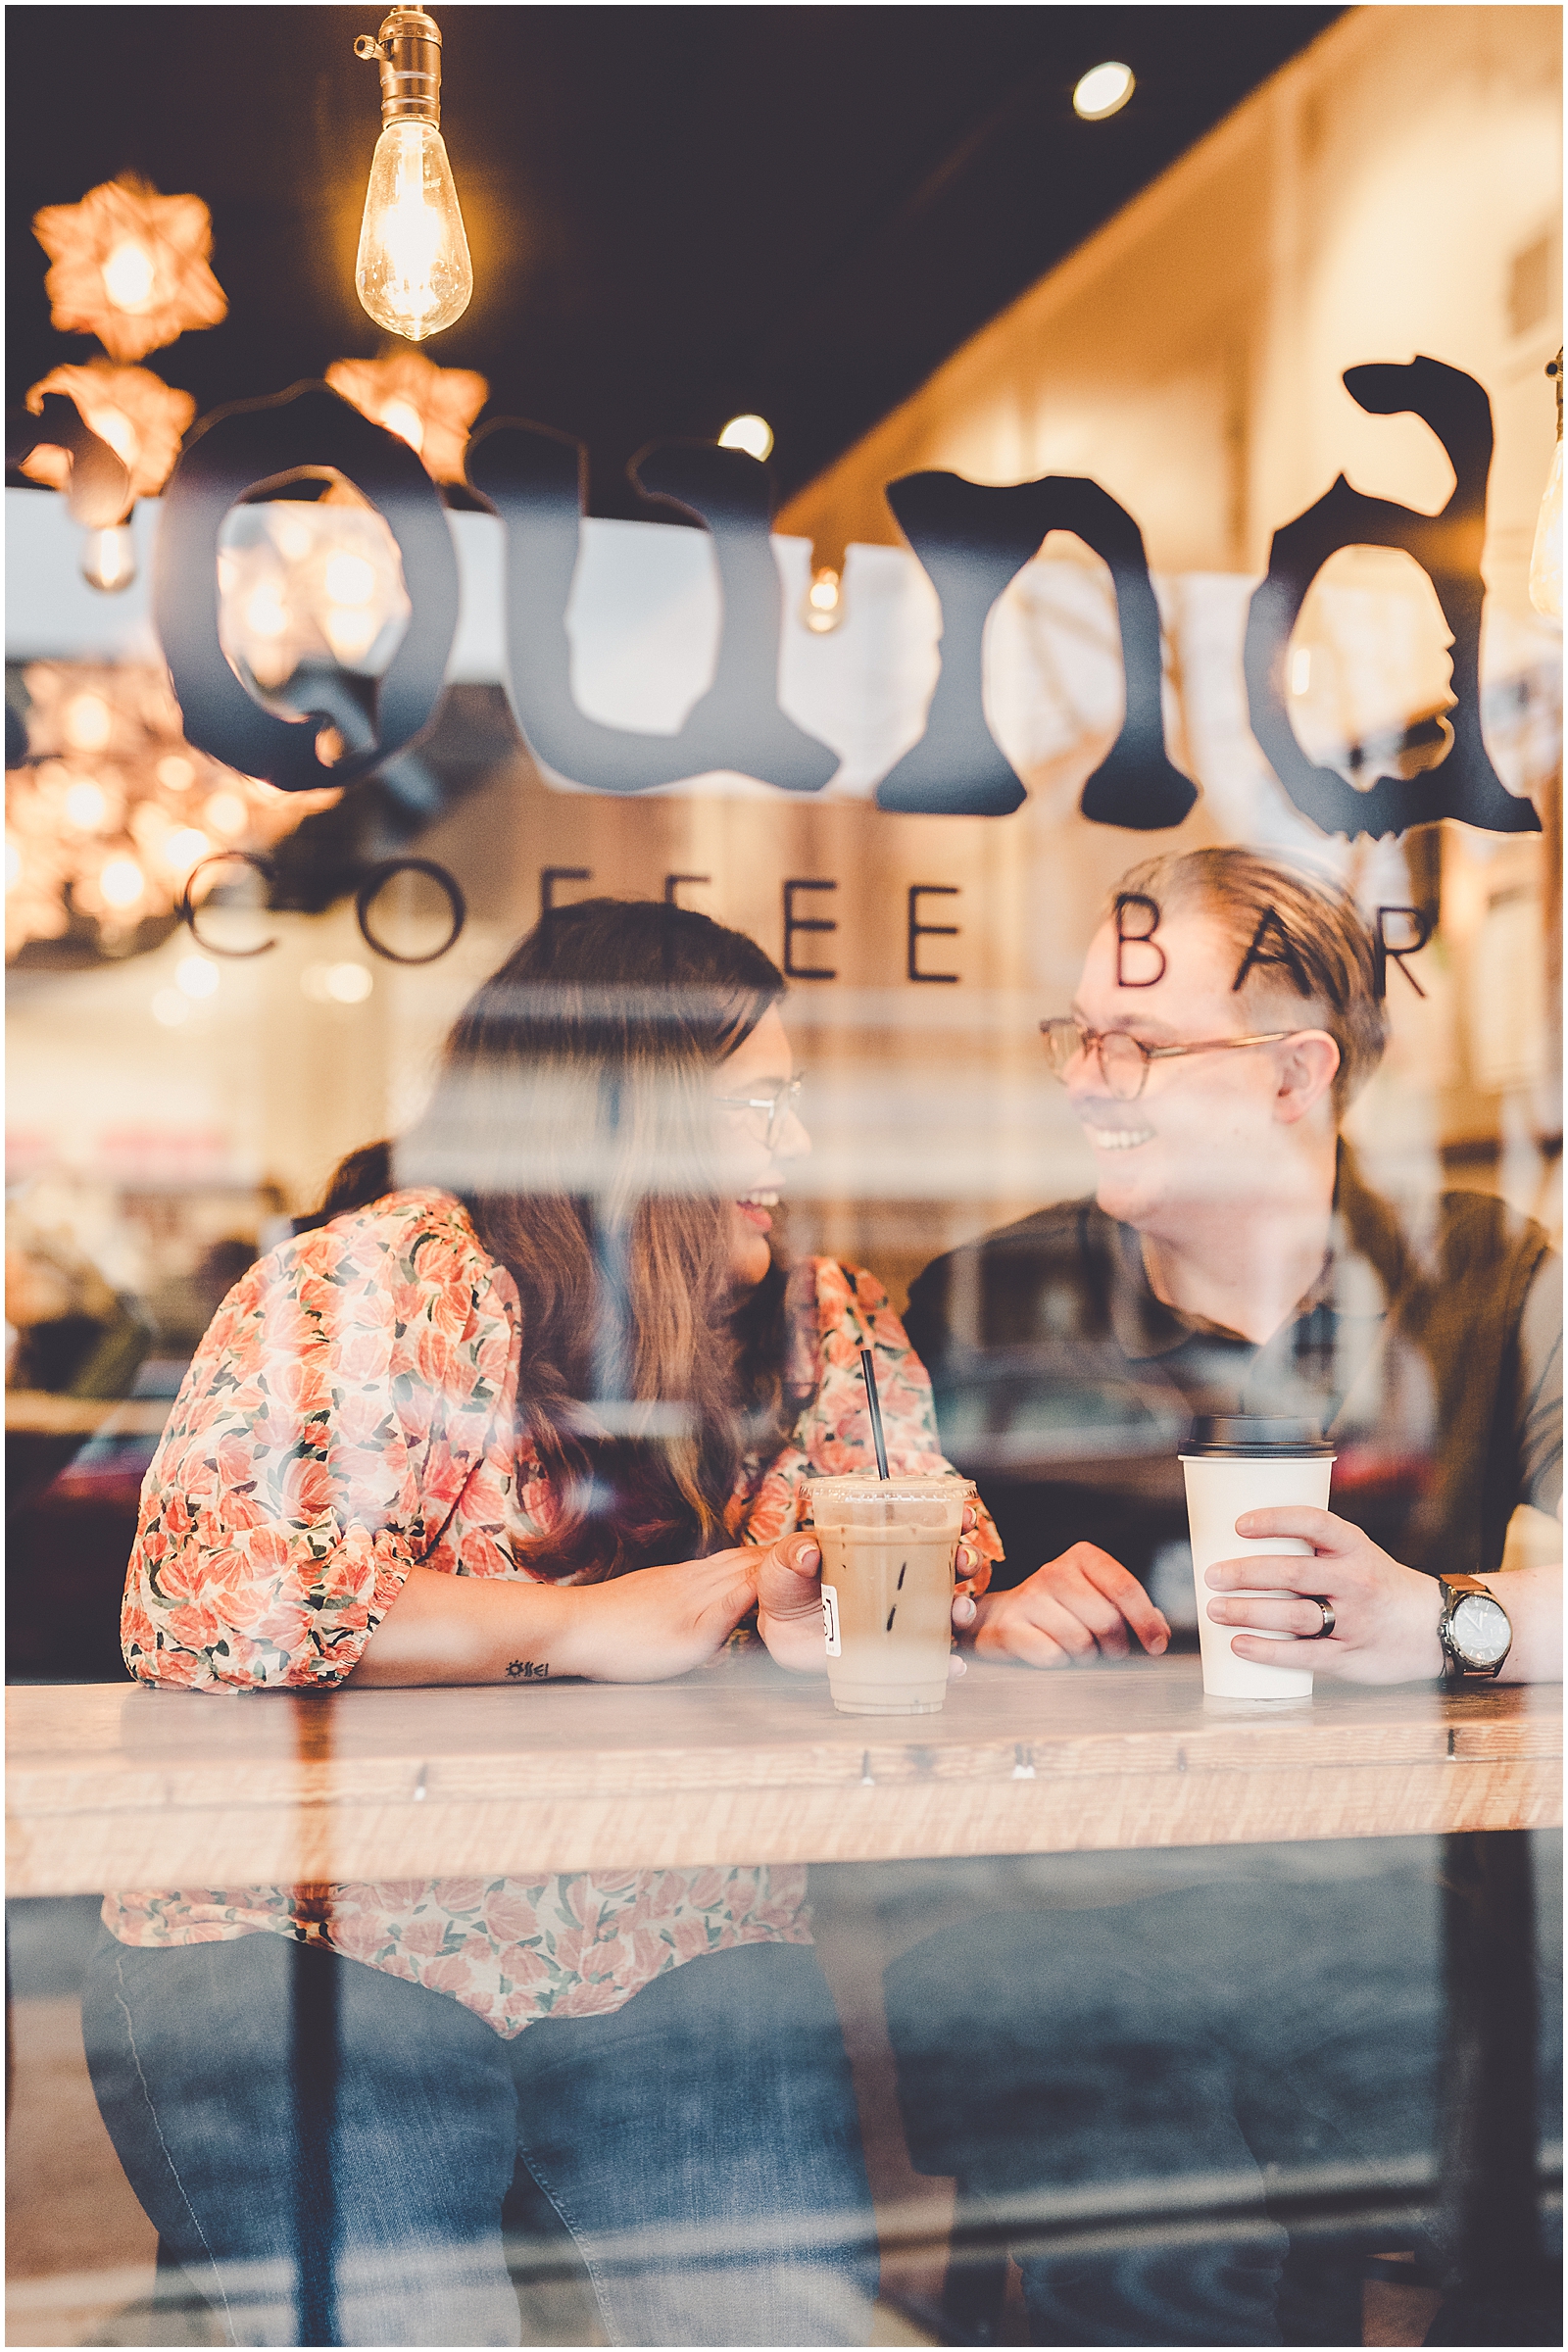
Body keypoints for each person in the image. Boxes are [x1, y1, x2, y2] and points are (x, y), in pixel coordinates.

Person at [83, 896, 1002, 2350]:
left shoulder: (825, 1324)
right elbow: (215, 1601)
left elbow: (924, 1557)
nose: (796, 1150)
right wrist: (579, 1625)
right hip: (304, 1943)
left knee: (786, 2333)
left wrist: (832, 1593)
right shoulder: (375, 1284)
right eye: (757, 1103)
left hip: (678, 1939)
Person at [890, 848, 1562, 2345]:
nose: (1086, 1079)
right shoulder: (981, 1305)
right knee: (1157, 2237)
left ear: (1293, 1074)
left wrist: (1449, 1619)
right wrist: (973, 1617)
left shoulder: (1483, 1275)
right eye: (1077, 1035)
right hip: (1076, 1901)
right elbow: (829, 1614)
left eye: (1137, 1039)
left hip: (1396, 1902)